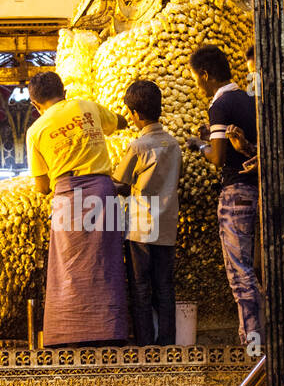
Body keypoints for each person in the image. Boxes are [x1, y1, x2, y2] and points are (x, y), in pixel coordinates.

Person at [26, 69, 129, 346]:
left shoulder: (35, 130)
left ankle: (69, 335)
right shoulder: (85, 106)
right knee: (105, 262)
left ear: (36, 105)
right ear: (64, 92)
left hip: (66, 196)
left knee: (67, 267)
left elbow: (41, 187)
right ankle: (110, 333)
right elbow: (118, 122)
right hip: (102, 194)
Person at [188, 44, 264, 350]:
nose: (196, 84)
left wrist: (199, 146)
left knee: (240, 271)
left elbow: (218, 157)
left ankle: (253, 344)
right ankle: (263, 339)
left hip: (235, 195)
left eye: (195, 77)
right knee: (259, 268)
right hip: (260, 191)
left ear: (205, 75)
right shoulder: (249, 99)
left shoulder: (218, 105)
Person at [113, 79, 181, 346]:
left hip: (141, 227)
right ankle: (168, 344)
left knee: (140, 287)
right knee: (165, 287)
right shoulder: (173, 145)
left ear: (136, 115)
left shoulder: (137, 147)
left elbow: (120, 182)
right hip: (167, 226)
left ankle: (145, 344)